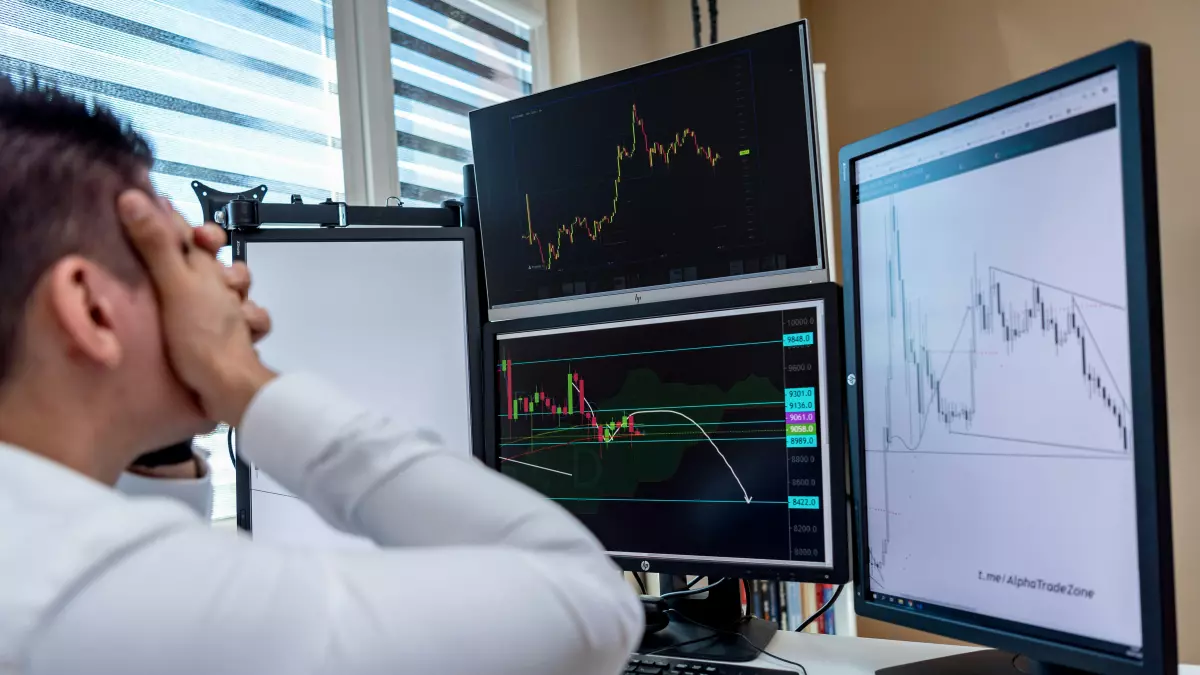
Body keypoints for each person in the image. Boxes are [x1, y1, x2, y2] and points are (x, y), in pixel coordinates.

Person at [0, 77, 642, 674]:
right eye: (181, 254)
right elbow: (589, 600)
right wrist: (243, 382)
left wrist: (159, 447)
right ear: (90, 308)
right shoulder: (95, 589)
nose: (232, 277)